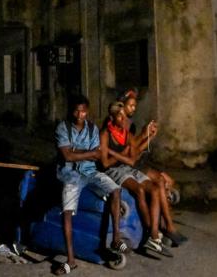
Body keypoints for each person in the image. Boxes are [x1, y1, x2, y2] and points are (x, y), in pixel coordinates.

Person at [53, 95, 127, 275]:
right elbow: (67, 157)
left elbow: (96, 155)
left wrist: (76, 151)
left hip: (90, 172)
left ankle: (116, 239)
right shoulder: (62, 127)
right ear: (72, 110)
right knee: (68, 213)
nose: (80, 114)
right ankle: (71, 260)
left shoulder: (93, 128)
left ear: (87, 111)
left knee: (116, 189)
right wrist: (85, 152)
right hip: (70, 174)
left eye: (83, 110)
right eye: (77, 110)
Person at [99, 102, 171, 257]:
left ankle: (154, 236)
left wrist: (149, 137)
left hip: (126, 167)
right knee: (138, 189)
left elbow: (133, 158)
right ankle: (150, 232)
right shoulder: (105, 134)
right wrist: (121, 154)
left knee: (155, 188)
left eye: (124, 116)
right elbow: (105, 163)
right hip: (113, 170)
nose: (123, 119)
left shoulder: (126, 134)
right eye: (120, 116)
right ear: (112, 117)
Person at [117, 89, 188, 245]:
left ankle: (166, 226)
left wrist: (149, 137)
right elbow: (131, 156)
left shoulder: (130, 125)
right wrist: (145, 136)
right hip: (129, 167)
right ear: (121, 106)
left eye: (134, 106)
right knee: (161, 182)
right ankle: (167, 227)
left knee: (167, 181)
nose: (133, 109)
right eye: (131, 106)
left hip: (136, 163)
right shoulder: (118, 125)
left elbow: (136, 151)